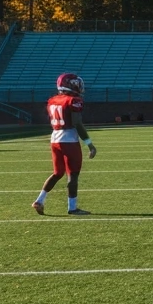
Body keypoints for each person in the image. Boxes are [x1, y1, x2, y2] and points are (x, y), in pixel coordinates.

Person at [32, 74, 96, 215]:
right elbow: (77, 123)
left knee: (57, 173)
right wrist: (89, 143)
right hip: (69, 139)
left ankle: (40, 200)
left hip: (55, 138)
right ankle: (72, 207)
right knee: (72, 175)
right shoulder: (73, 100)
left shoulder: (52, 100)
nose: (78, 86)